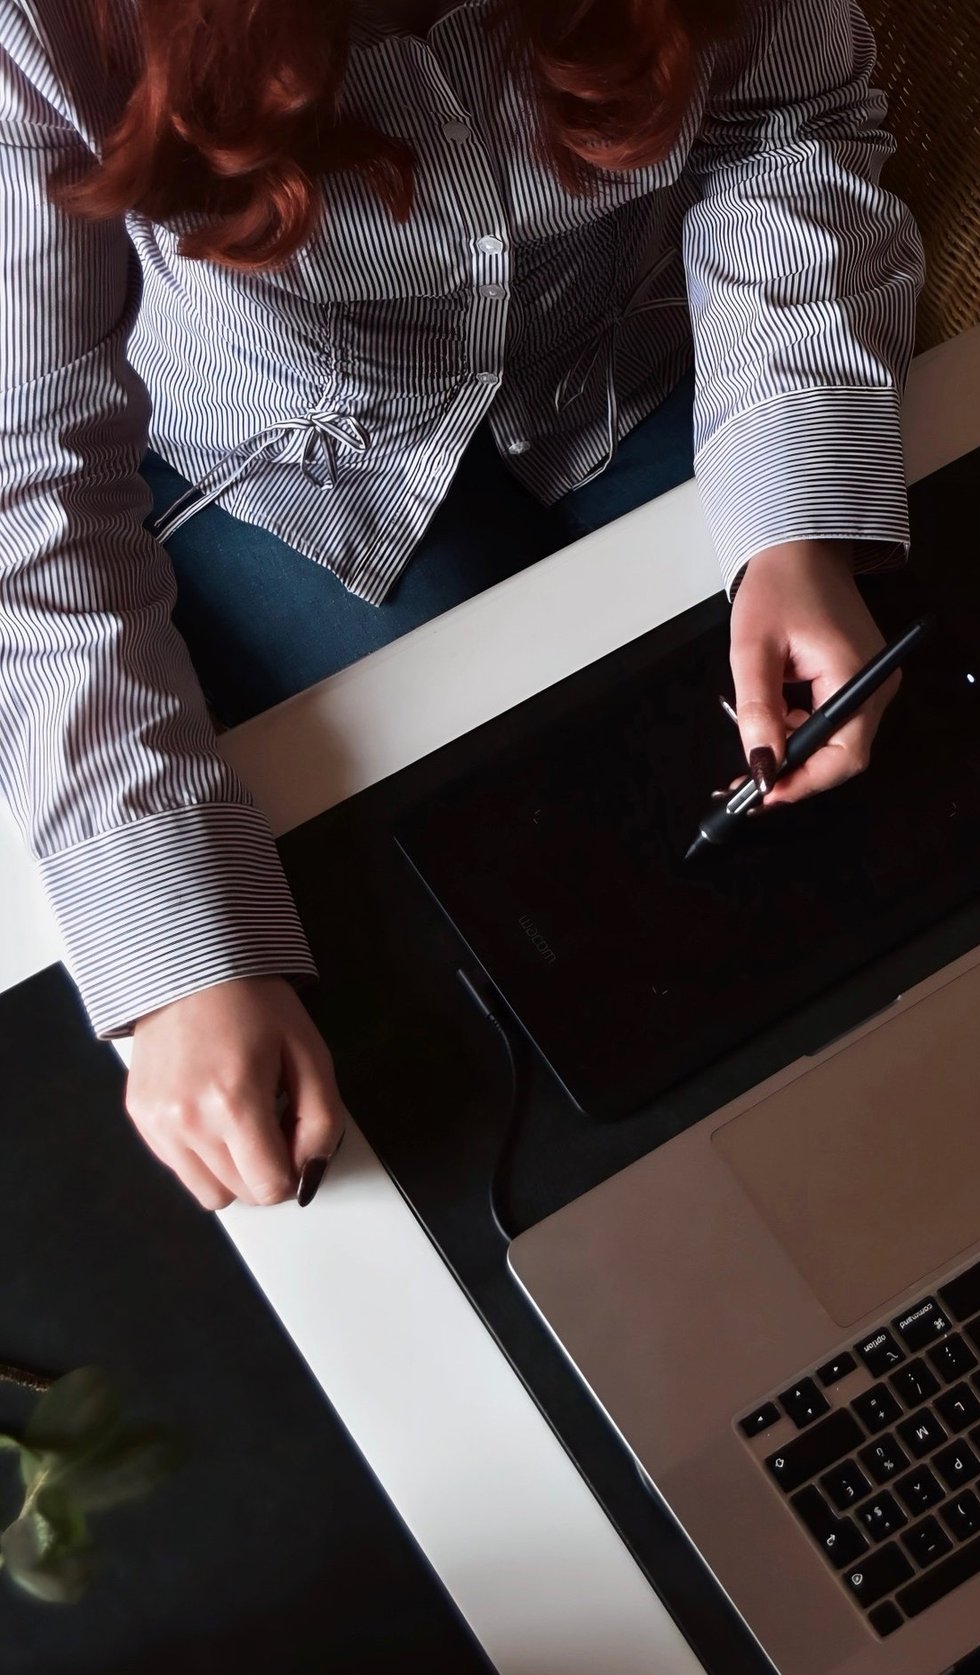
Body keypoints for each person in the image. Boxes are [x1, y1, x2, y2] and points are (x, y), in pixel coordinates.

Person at [0, 0, 924, 1212]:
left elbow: (790, 131)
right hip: (286, 456)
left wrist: (796, 523)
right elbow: (27, 477)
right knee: (487, 916)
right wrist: (179, 960)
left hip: (627, 358)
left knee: (844, 853)